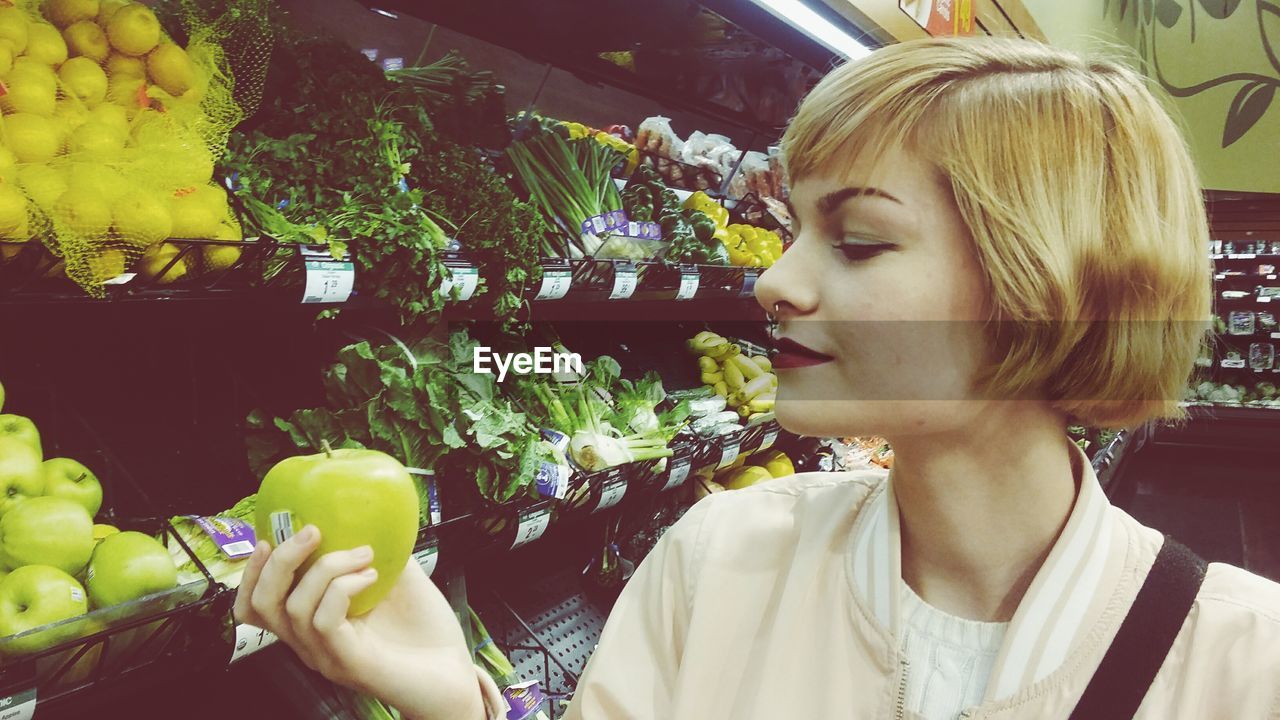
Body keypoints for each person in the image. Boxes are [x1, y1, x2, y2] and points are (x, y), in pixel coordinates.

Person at [233, 36, 1280, 719]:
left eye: (859, 241)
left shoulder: (1239, 663)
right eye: (788, 228)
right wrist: (451, 704)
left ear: (1043, 283)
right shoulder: (721, 557)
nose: (774, 281)